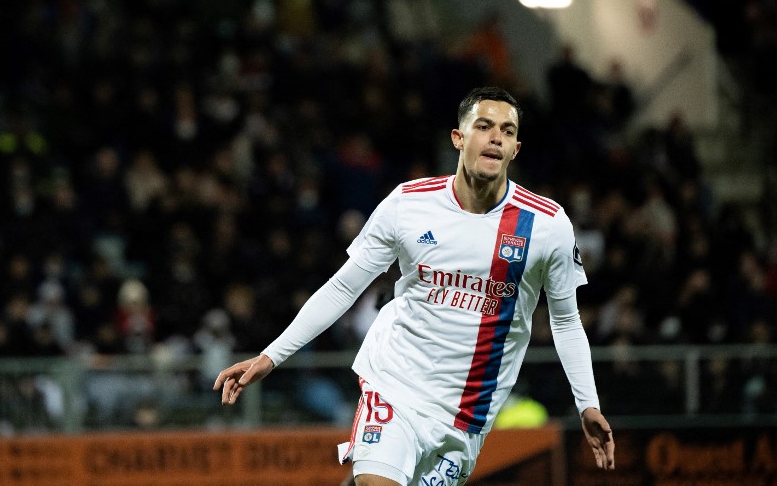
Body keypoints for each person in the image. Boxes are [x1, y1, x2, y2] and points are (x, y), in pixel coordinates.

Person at [215, 87, 615, 485]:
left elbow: (565, 322)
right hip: (395, 388)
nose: (496, 137)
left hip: (466, 418)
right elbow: (343, 287)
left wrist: (587, 404)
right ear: (458, 138)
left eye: (507, 131)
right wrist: (271, 356)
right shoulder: (408, 204)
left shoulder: (547, 225)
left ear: (516, 149)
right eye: (484, 126)